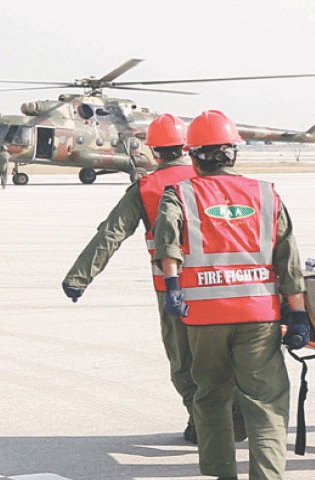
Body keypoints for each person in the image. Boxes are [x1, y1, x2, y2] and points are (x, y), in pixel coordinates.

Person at [152, 110, 310, 480]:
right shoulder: (266, 194)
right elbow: (289, 260)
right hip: (259, 315)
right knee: (266, 403)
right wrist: (299, 313)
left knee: (210, 398)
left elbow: (166, 241)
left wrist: (173, 289)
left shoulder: (179, 193)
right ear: (234, 153)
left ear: (192, 156)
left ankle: (221, 474)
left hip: (204, 317)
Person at [61, 113, 204, 443]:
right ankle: (235, 417)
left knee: (184, 361)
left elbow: (111, 233)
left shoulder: (147, 186)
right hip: (228, 285)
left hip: (172, 288)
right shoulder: (214, 180)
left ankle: (200, 420)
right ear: (187, 146)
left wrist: (79, 277)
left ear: (153, 151)